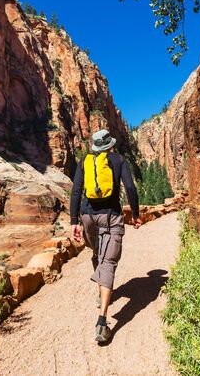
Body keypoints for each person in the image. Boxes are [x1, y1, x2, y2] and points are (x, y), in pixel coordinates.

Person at [70, 129, 141, 343]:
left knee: (97, 254)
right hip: (111, 217)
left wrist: (74, 221)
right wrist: (135, 215)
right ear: (110, 145)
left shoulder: (85, 161)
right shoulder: (119, 160)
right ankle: (102, 322)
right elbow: (129, 187)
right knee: (108, 262)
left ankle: (100, 291)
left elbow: (76, 191)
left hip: (88, 217)